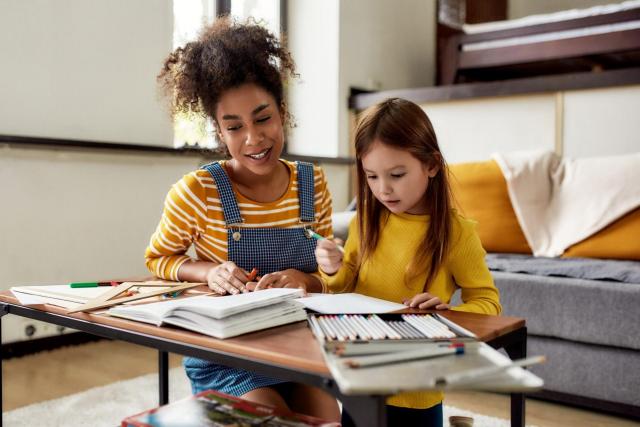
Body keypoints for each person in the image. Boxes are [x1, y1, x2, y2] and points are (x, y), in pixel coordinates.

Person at [145, 18, 340, 422]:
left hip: (296, 344)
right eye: (235, 127)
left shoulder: (312, 183)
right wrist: (208, 272)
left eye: (263, 118)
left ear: (282, 112)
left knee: (330, 420)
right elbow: (159, 260)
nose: (253, 138)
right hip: (227, 352)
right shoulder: (197, 191)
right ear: (219, 131)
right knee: (271, 420)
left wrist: (308, 279)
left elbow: (333, 276)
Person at [315, 98, 501, 426]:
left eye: (397, 174)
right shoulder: (365, 221)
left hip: (418, 386)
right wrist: (331, 268)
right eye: (371, 176)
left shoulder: (456, 233)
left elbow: (488, 304)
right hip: (362, 376)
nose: (383, 189)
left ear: (431, 165)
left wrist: (446, 313)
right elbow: (347, 283)